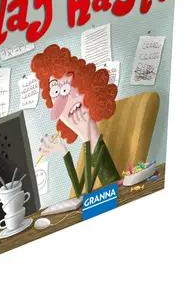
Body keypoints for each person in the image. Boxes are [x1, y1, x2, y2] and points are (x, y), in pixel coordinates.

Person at [31, 44, 120, 196]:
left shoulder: (98, 148)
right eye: (55, 93)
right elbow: (79, 192)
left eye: (66, 89)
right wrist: (63, 151)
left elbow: (94, 189)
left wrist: (85, 134)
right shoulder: (90, 147)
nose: (64, 103)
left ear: (87, 89)